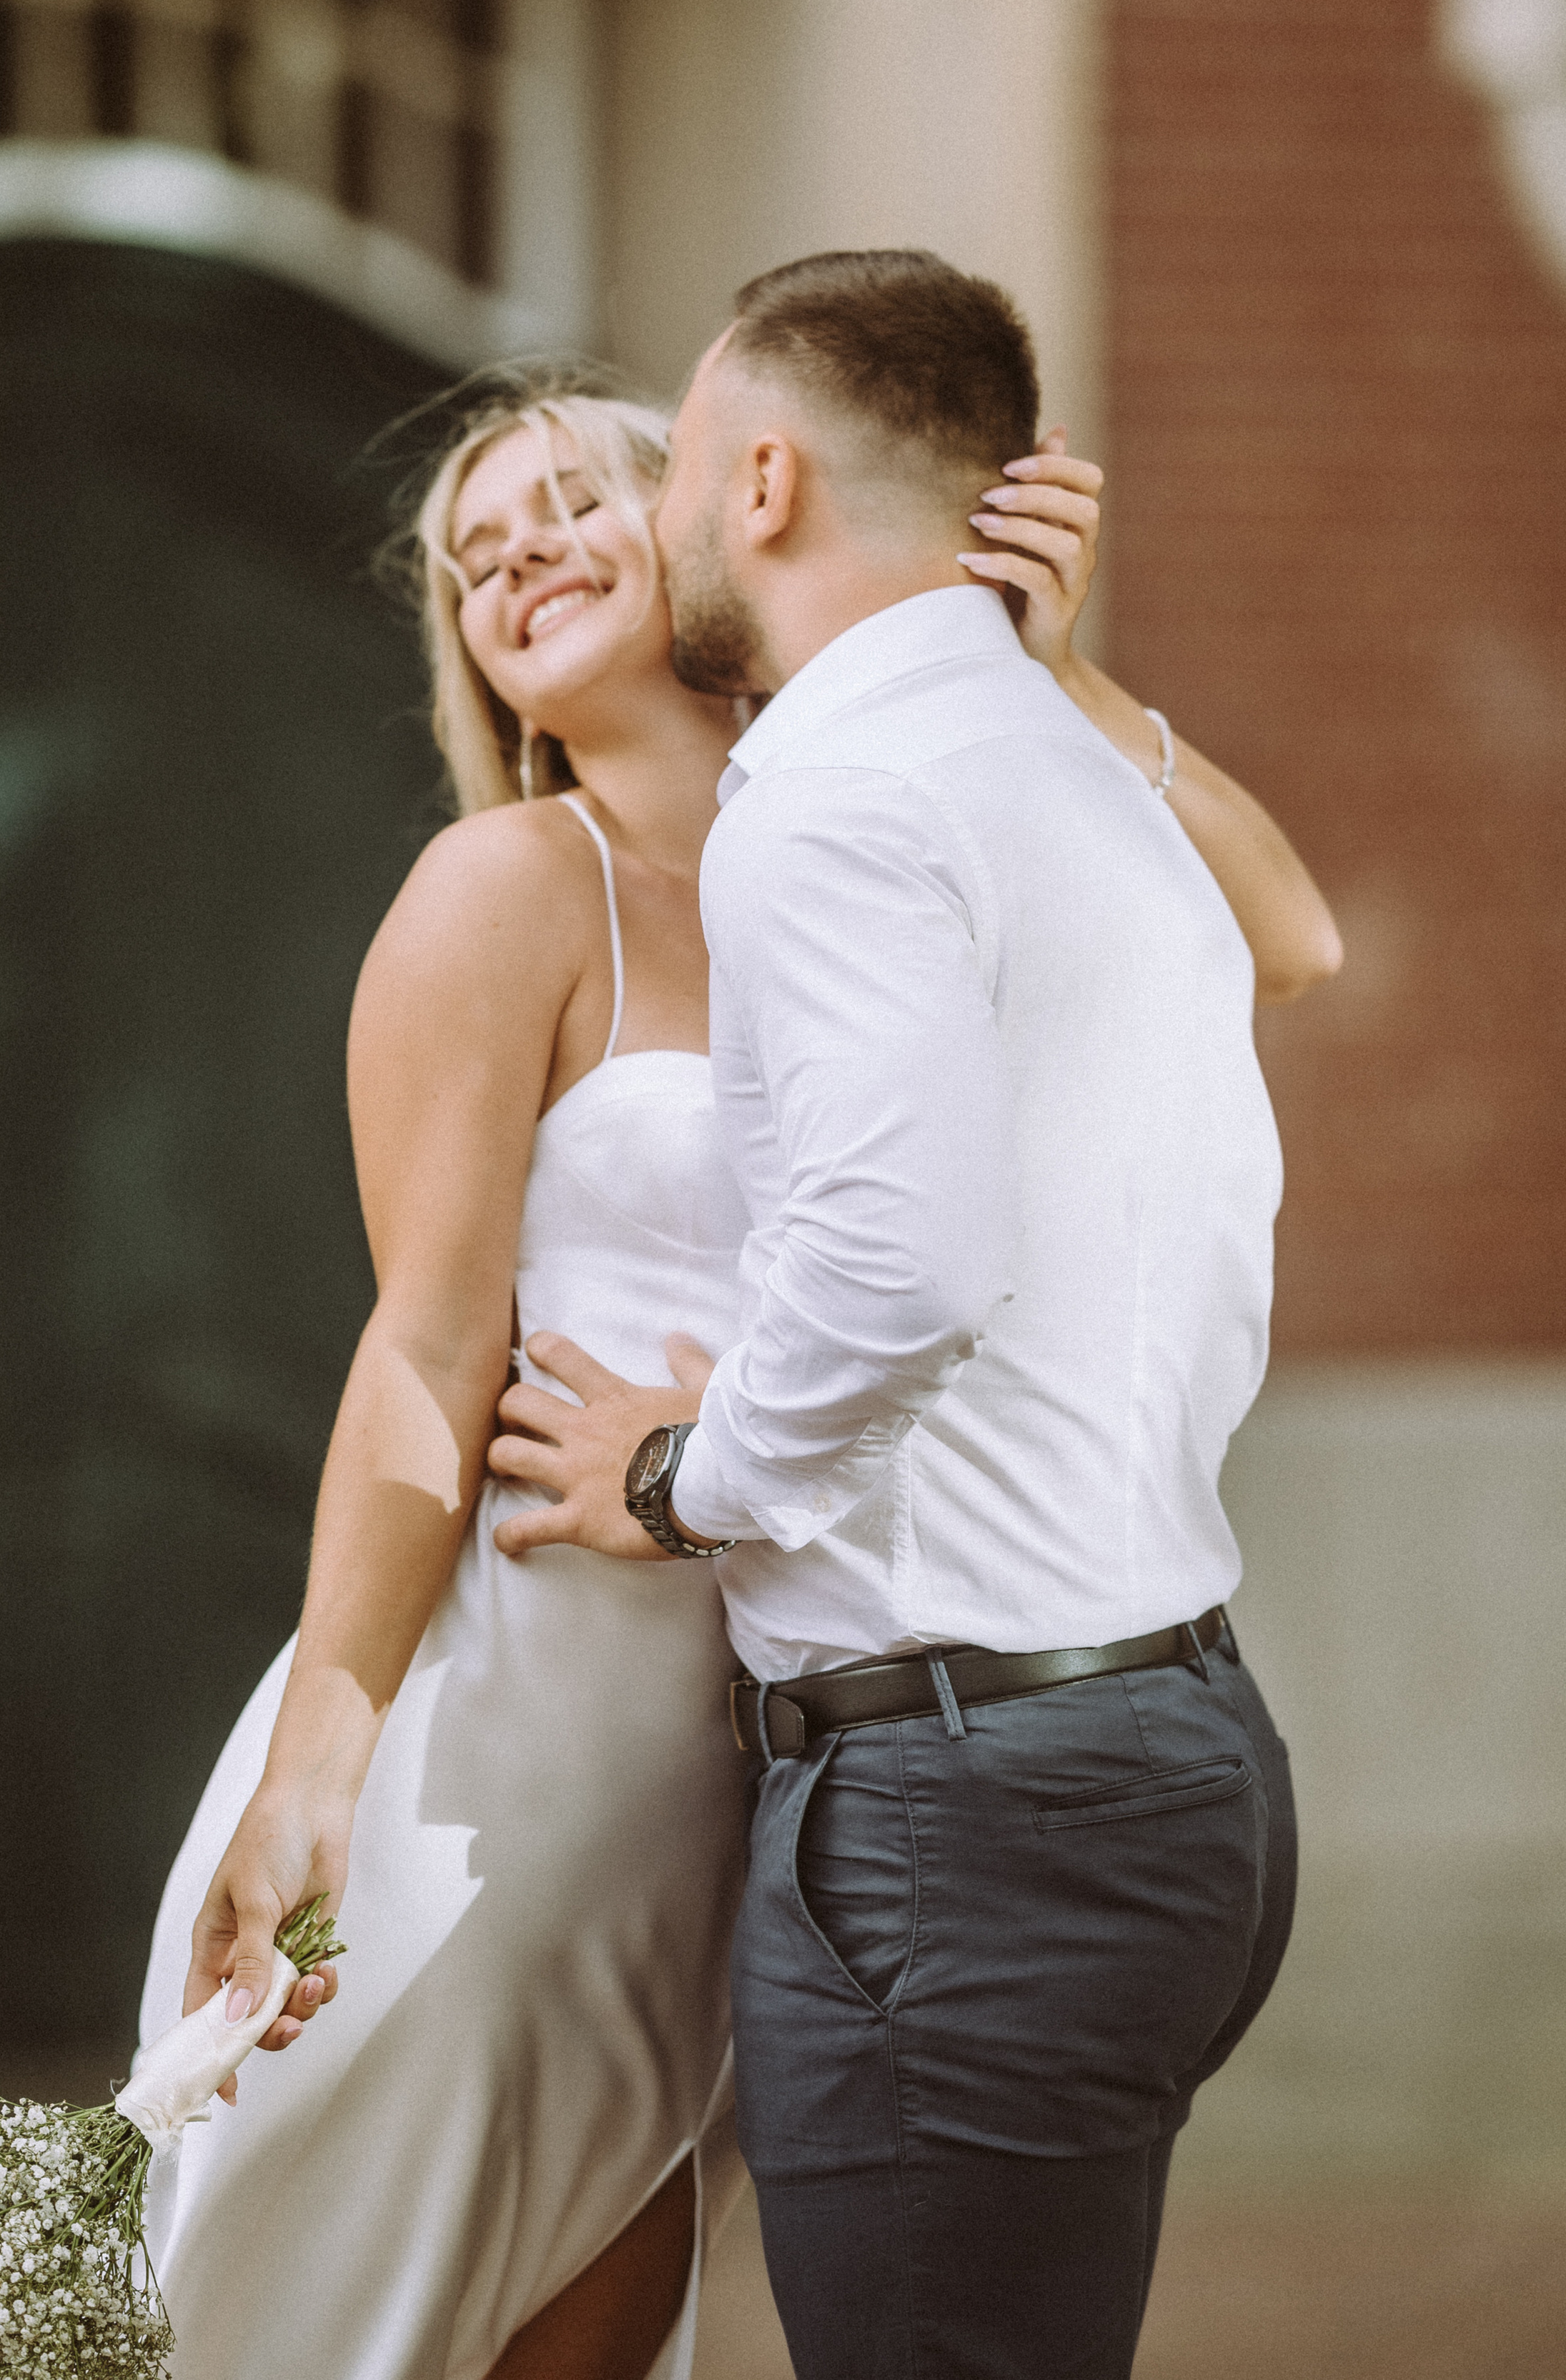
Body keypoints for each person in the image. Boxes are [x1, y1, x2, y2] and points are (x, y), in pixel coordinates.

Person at [136, 348, 1337, 2380]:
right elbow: (424, 1346)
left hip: (784, 1752)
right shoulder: (503, 892)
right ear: (482, 664)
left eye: (568, 505)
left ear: (697, 525)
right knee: (381, 2314)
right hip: (523, 1741)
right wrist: (317, 1756)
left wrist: (1052, 674)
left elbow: (1285, 936)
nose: (520, 562)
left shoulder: (899, 815)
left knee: (609, 2324)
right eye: (474, 563)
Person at [486, 255, 1333, 2380]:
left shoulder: (842, 797)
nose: (658, 515)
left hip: (966, 1818)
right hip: (1168, 1750)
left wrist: (689, 1476)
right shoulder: (1084, 788)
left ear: (760, 478)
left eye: (672, 467)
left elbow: (903, 1263)